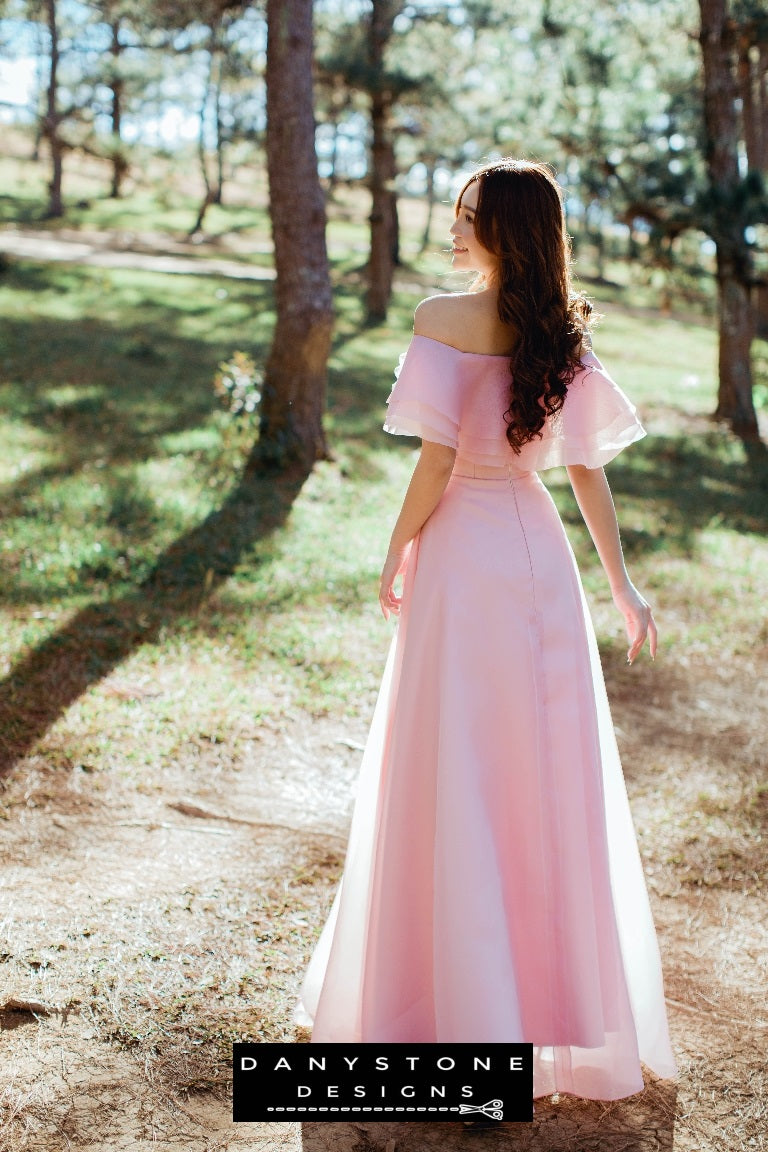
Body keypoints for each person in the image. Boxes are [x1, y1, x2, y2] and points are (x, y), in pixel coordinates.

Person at [294, 159, 677, 1105]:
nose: (455, 230)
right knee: (535, 781)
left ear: (507, 229)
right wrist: (619, 587)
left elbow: (434, 462)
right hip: (538, 564)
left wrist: (395, 548)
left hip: (465, 563)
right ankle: (535, 1028)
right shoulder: (561, 334)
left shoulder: (440, 320)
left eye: (470, 218)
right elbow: (585, 472)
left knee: (452, 770)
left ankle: (449, 1026)